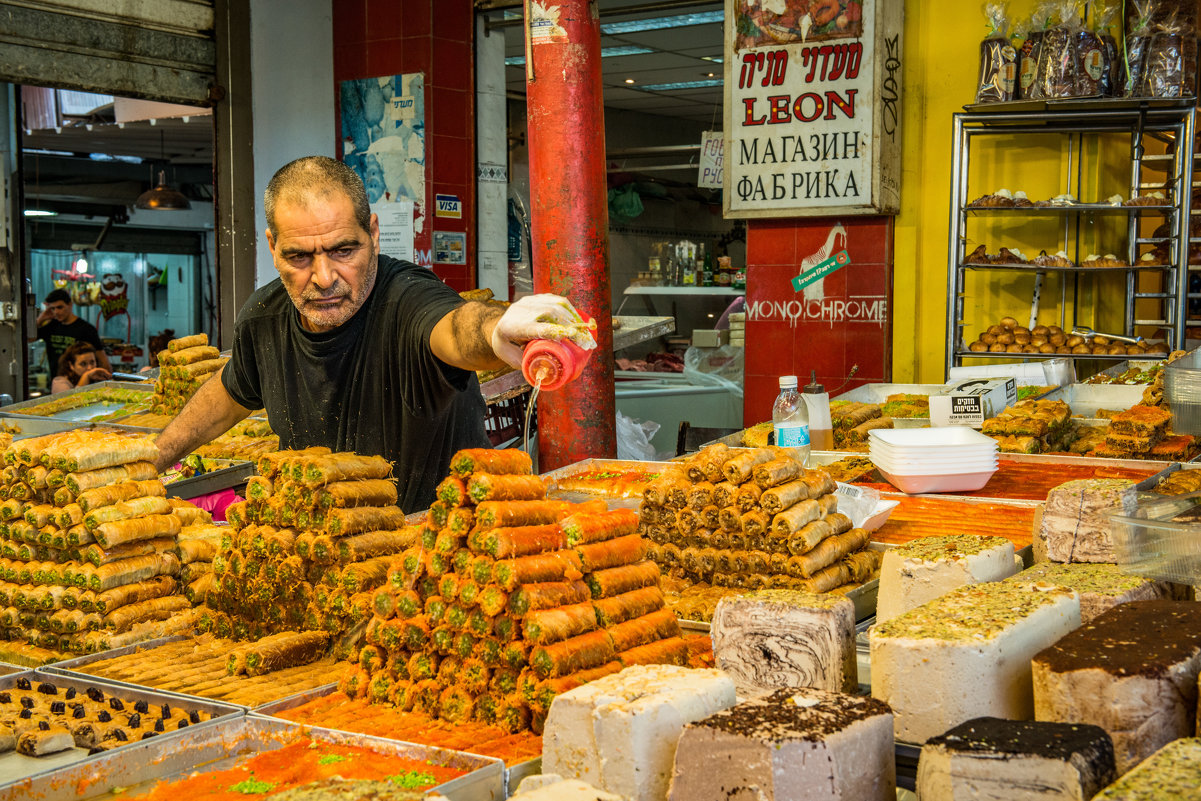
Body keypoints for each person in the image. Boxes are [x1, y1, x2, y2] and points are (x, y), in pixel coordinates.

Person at [154, 155, 594, 512]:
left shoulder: (407, 298)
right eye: (299, 257)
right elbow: (230, 393)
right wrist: (153, 459)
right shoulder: (263, 318)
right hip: (326, 551)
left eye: (344, 250)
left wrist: (498, 330)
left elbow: (455, 330)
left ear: (375, 234)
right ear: (272, 246)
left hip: (436, 545)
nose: (324, 277)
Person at [36, 289, 111, 375]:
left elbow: (102, 360)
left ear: (70, 305)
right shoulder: (52, 326)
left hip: (81, 382)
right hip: (57, 381)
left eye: (60, 307)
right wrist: (40, 319)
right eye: (53, 308)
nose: (56, 312)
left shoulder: (86, 329)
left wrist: (108, 379)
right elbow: (28, 339)